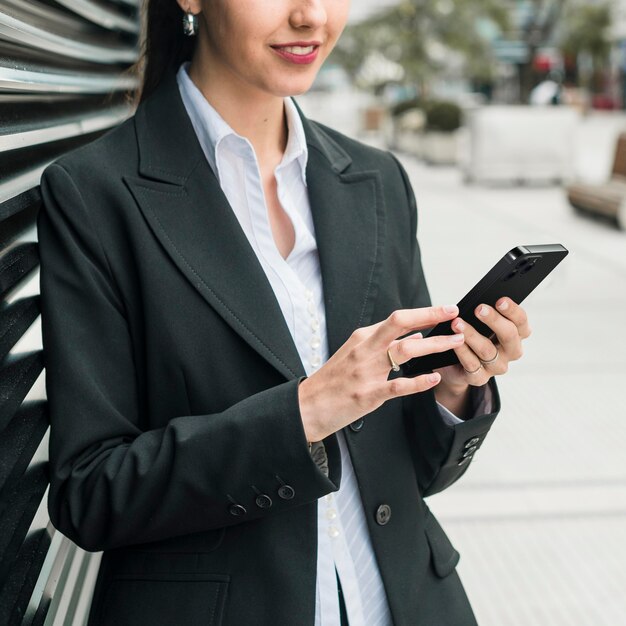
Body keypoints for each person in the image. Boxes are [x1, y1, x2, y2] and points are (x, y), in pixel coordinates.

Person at [37, 1, 531, 624]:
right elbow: (90, 493)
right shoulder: (95, 193)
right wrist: (303, 414)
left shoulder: (377, 180)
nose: (311, 16)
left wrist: (454, 391)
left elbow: (409, 474)